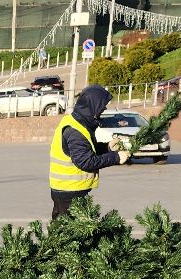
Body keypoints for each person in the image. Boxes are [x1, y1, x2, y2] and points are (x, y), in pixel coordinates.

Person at [49, 84, 128, 220]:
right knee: (68, 234)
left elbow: (85, 149)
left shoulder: (76, 122)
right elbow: (85, 161)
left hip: (68, 189)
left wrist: (107, 147)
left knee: (65, 230)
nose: (103, 110)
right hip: (69, 191)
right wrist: (116, 158)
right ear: (93, 106)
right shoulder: (75, 131)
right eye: (101, 107)